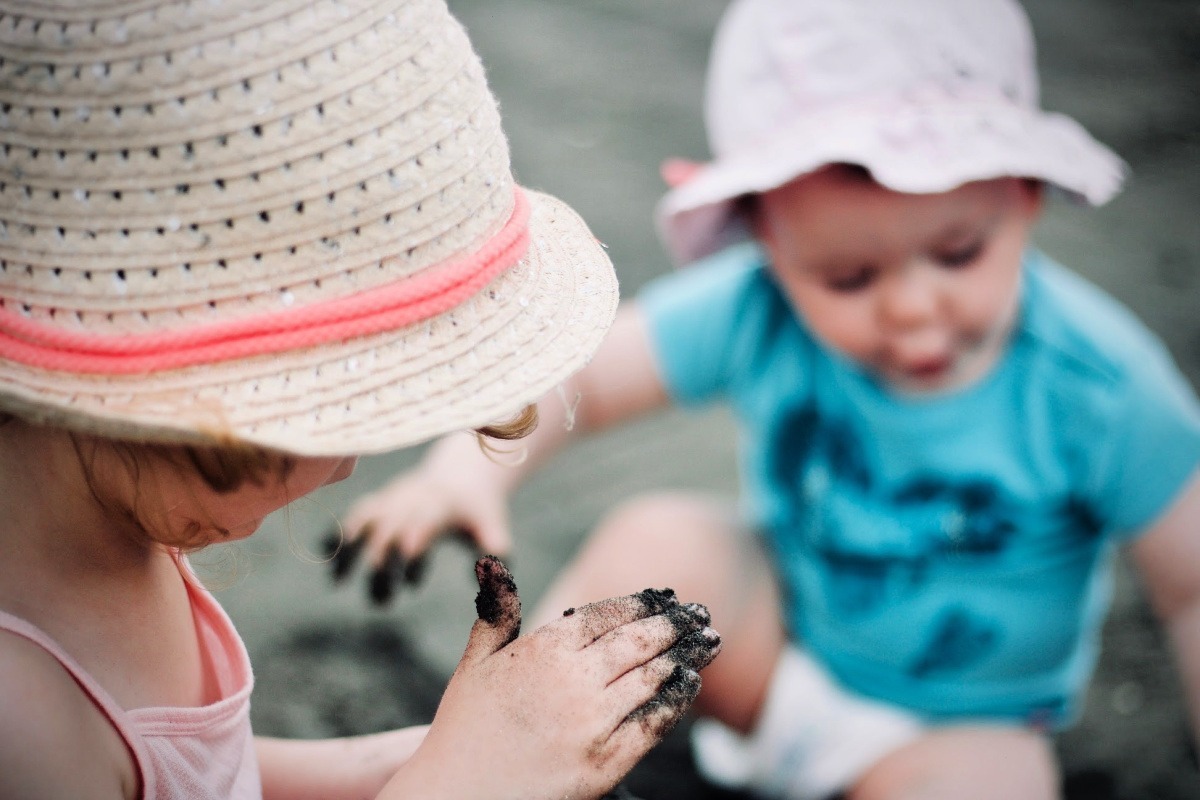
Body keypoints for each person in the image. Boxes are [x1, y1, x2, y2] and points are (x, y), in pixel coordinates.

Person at [333, 0, 1200, 798]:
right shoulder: (760, 307)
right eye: (847, 277)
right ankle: (539, 736)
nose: (910, 306)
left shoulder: (1099, 386)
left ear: (1023, 196)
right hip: (768, 649)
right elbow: (585, 379)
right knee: (661, 537)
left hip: (959, 727)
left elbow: (1191, 583)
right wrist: (464, 474)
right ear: (767, 240)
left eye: (959, 252)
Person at [0, 1, 725, 798]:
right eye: (334, 413)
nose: (347, 466)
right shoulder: (22, 725)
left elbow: (207, 779)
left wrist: (416, 760)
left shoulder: (104, 520)